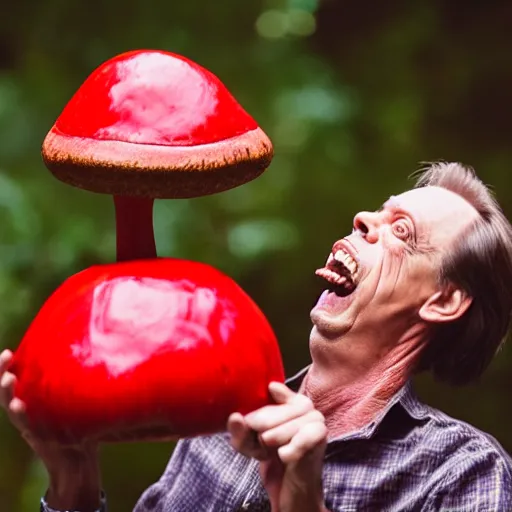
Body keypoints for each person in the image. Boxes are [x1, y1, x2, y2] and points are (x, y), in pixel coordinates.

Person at [1, 162, 512, 511]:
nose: (364, 221)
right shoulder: (215, 424)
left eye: (401, 231)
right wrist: (74, 486)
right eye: (376, 212)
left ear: (443, 301)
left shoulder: (461, 473)